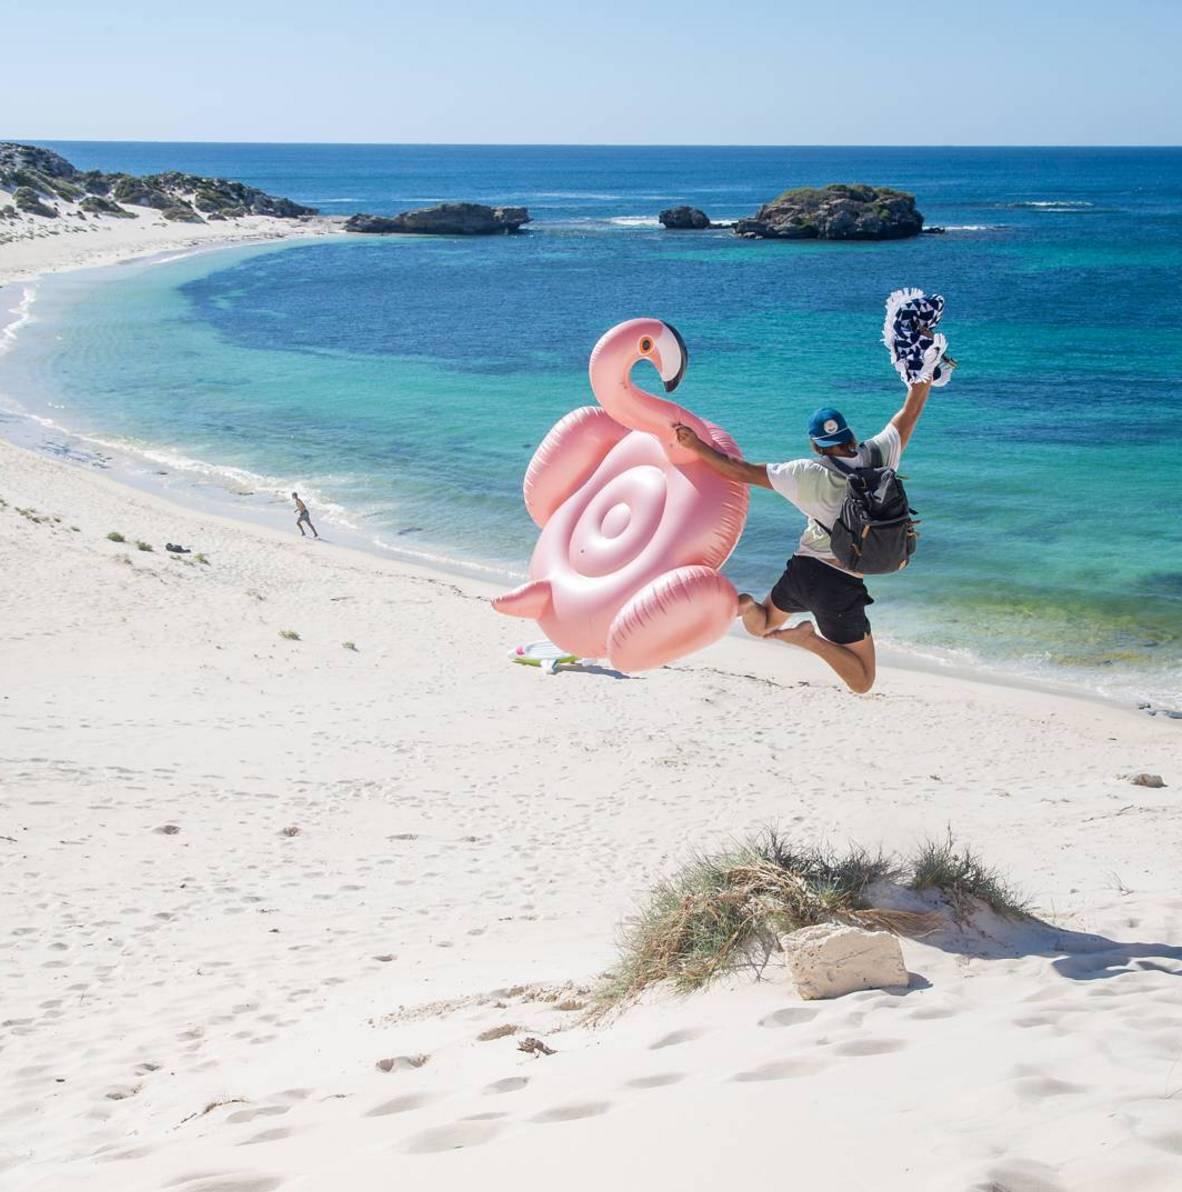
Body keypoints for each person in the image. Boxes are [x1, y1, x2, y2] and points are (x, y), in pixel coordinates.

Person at [672, 376, 935, 695]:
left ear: (816, 445)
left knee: (764, 623)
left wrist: (695, 445)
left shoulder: (804, 473)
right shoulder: (878, 457)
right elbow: (907, 415)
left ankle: (744, 605)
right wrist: (922, 380)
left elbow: (738, 470)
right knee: (863, 681)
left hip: (803, 571)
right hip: (840, 586)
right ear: (849, 433)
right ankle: (808, 639)